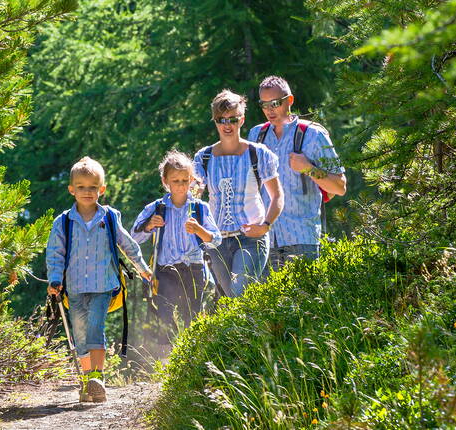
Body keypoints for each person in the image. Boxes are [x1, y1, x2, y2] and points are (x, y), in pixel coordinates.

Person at [45, 156, 151, 403]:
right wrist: (54, 279)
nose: (87, 191)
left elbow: (128, 244)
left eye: (93, 187)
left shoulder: (110, 217)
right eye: (81, 186)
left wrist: (143, 268)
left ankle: (98, 378)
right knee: (79, 333)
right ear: (72, 189)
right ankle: (86, 380)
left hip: (104, 285)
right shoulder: (63, 222)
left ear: (101, 189)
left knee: (95, 326)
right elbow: (55, 253)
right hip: (75, 287)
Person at [247, 76, 346, 271]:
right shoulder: (256, 136)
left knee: (305, 300)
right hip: (265, 241)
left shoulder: (314, 135)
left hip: (302, 240)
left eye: (275, 103)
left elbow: (340, 187)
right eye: (264, 104)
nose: (269, 110)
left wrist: (309, 168)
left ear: (289, 101)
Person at [193, 90, 284, 298]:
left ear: (241, 120)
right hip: (216, 242)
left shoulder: (258, 154)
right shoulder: (204, 158)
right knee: (233, 304)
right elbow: (195, 197)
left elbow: (277, 196)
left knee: (239, 293)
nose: (227, 125)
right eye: (221, 120)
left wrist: (265, 226)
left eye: (232, 119)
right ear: (215, 121)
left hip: (251, 238)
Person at [130, 150, 222, 352]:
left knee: (193, 314)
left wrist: (200, 230)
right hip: (165, 270)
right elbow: (132, 238)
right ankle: (167, 359)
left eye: (184, 180)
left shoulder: (200, 208)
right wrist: (148, 226)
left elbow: (216, 240)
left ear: (191, 180)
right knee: (164, 313)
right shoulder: (156, 208)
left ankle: (193, 358)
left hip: (194, 269)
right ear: (165, 182)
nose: (181, 185)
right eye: (175, 181)